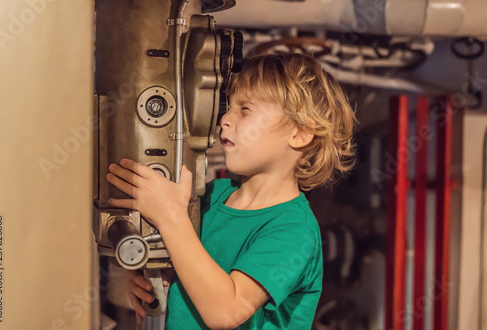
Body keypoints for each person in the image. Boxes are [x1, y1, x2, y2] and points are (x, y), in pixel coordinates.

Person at [106, 53, 357, 329]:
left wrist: (170, 217)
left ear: (300, 133)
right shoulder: (212, 195)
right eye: (229, 107)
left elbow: (227, 311)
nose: (225, 118)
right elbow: (194, 266)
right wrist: (149, 269)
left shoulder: (295, 230)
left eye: (245, 109)